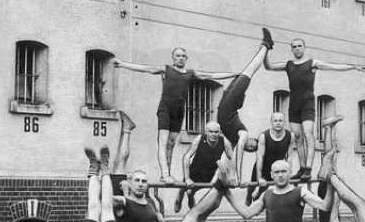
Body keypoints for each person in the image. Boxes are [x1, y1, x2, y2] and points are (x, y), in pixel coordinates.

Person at [112, 48, 237, 184]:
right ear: (173, 57)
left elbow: (211, 76)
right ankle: (165, 174)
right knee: (163, 141)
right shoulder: (166, 70)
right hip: (165, 109)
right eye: (177, 55)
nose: (180, 58)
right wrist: (122, 64)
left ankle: (168, 175)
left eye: (183, 56)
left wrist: (234, 75)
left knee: (171, 144)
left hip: (179, 112)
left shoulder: (190, 73)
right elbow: (145, 68)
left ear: (186, 58)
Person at [263, 37, 365, 181]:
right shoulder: (288, 65)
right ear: (291, 49)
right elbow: (268, 66)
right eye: (294, 46)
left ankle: (308, 168)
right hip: (294, 103)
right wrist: (265, 49)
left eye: (299, 46)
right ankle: (302, 168)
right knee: (297, 137)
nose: (297, 48)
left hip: (307, 102)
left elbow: (332, 66)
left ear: (304, 47)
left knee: (308, 133)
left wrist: (353, 66)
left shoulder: (312, 63)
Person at [215, 29, 276, 183]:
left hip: (226, 102)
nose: (249, 147)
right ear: (253, 139)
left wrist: (227, 174)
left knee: (245, 71)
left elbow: (228, 156)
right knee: (249, 72)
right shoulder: (243, 134)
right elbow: (239, 151)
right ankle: (266, 46)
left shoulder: (232, 141)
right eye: (252, 145)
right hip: (230, 104)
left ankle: (263, 47)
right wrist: (237, 175)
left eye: (250, 149)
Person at [175, 121, 232, 212]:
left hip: (209, 173)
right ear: (206, 132)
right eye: (211, 131)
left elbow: (232, 159)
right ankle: (179, 197)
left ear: (220, 132)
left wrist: (232, 176)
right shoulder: (199, 139)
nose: (213, 134)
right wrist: (187, 178)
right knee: (184, 188)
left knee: (192, 192)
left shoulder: (224, 142)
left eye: (216, 132)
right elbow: (187, 156)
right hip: (194, 171)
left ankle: (190, 197)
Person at [249, 111, 293, 204]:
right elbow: (260, 157)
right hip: (263, 165)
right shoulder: (264, 136)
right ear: (271, 122)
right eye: (275, 120)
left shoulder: (290, 136)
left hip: (276, 167)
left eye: (280, 121)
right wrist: (259, 177)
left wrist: (288, 173)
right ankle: (247, 205)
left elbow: (289, 157)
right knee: (251, 189)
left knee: (263, 190)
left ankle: (257, 199)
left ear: (284, 122)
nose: (278, 123)